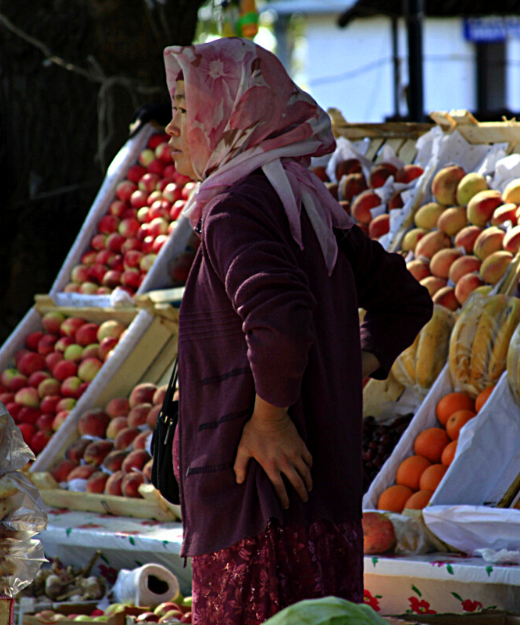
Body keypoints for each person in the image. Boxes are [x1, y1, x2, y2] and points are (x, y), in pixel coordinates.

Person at [163, 39, 433, 624]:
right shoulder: (302, 202)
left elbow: (280, 319)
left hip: (260, 510)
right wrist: (341, 373)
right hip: (319, 503)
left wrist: (270, 418)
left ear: (230, 116)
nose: (169, 128)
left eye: (185, 110)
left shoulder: (236, 206)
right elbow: (406, 302)